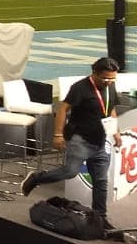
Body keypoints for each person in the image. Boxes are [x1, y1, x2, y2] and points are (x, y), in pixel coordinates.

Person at [22, 56, 122, 227]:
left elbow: (110, 108)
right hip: (80, 139)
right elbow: (63, 108)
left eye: (113, 78)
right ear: (95, 73)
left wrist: (116, 132)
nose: (109, 81)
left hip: (99, 141)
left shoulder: (110, 87)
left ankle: (100, 218)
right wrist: (58, 135)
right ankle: (37, 178)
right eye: (105, 78)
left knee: (101, 181)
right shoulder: (80, 88)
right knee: (70, 171)